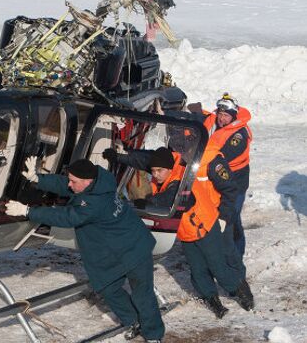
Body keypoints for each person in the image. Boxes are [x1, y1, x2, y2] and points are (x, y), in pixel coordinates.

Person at [6, 157, 164, 343]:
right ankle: (134, 321)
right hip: (116, 246)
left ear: (87, 182)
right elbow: (65, 184)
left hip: (135, 248)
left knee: (142, 294)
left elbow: (67, 217)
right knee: (107, 288)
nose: (70, 184)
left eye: (74, 181)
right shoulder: (95, 182)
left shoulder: (93, 203)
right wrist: (37, 178)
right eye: (71, 179)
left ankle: (154, 335)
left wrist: (28, 212)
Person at [176, 143, 253, 318]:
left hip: (216, 215)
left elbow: (230, 189)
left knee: (226, 254)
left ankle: (239, 286)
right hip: (194, 219)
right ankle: (210, 295)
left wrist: (224, 217)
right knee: (199, 263)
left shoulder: (212, 160)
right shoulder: (178, 158)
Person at [190, 94, 252, 256]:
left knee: (231, 218)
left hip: (235, 181)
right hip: (216, 178)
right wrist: (195, 112)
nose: (221, 118)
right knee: (213, 214)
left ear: (233, 117)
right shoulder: (215, 121)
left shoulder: (239, 135)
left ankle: (236, 255)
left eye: (226, 116)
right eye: (220, 114)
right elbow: (205, 119)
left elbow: (224, 155)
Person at [103, 147, 185, 209]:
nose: (155, 175)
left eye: (159, 170)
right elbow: (143, 160)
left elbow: (169, 198)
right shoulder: (166, 163)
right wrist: (117, 157)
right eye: (153, 170)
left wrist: (145, 203)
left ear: (170, 169)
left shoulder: (179, 181)